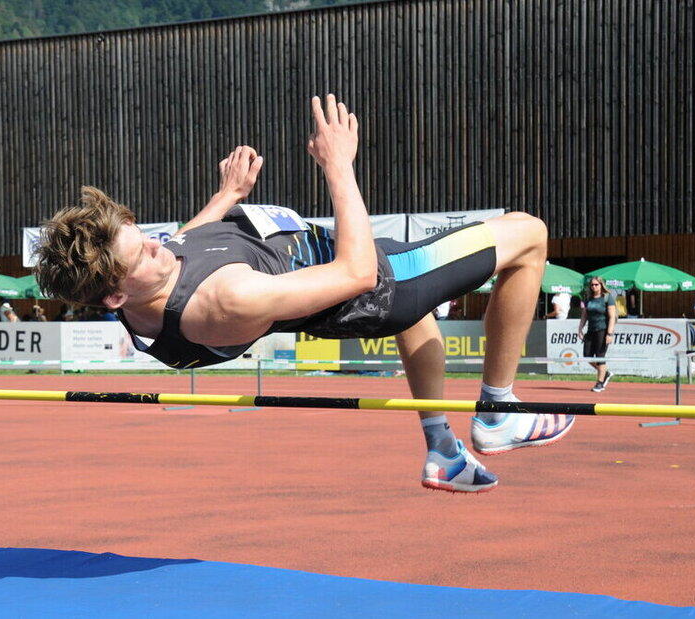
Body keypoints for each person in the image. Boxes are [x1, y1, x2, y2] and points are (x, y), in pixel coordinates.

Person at [34, 94, 566, 495]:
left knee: (421, 321)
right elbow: (357, 274)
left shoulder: (142, 287)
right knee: (528, 233)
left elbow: (181, 244)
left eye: (144, 235)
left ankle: (443, 451)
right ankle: (498, 411)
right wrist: (339, 165)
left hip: (344, 266)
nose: (159, 245)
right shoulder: (227, 300)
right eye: (143, 254)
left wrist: (227, 196)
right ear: (114, 298)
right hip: (380, 281)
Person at [577, 276, 616, 393]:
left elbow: (612, 317)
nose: (594, 287)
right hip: (591, 331)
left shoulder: (607, 298)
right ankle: (606, 373)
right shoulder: (588, 299)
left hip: (602, 330)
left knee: (600, 356)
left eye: (596, 284)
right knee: (587, 356)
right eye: (592, 285)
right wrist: (580, 329)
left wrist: (609, 334)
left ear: (601, 285)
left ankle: (600, 383)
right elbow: (584, 315)